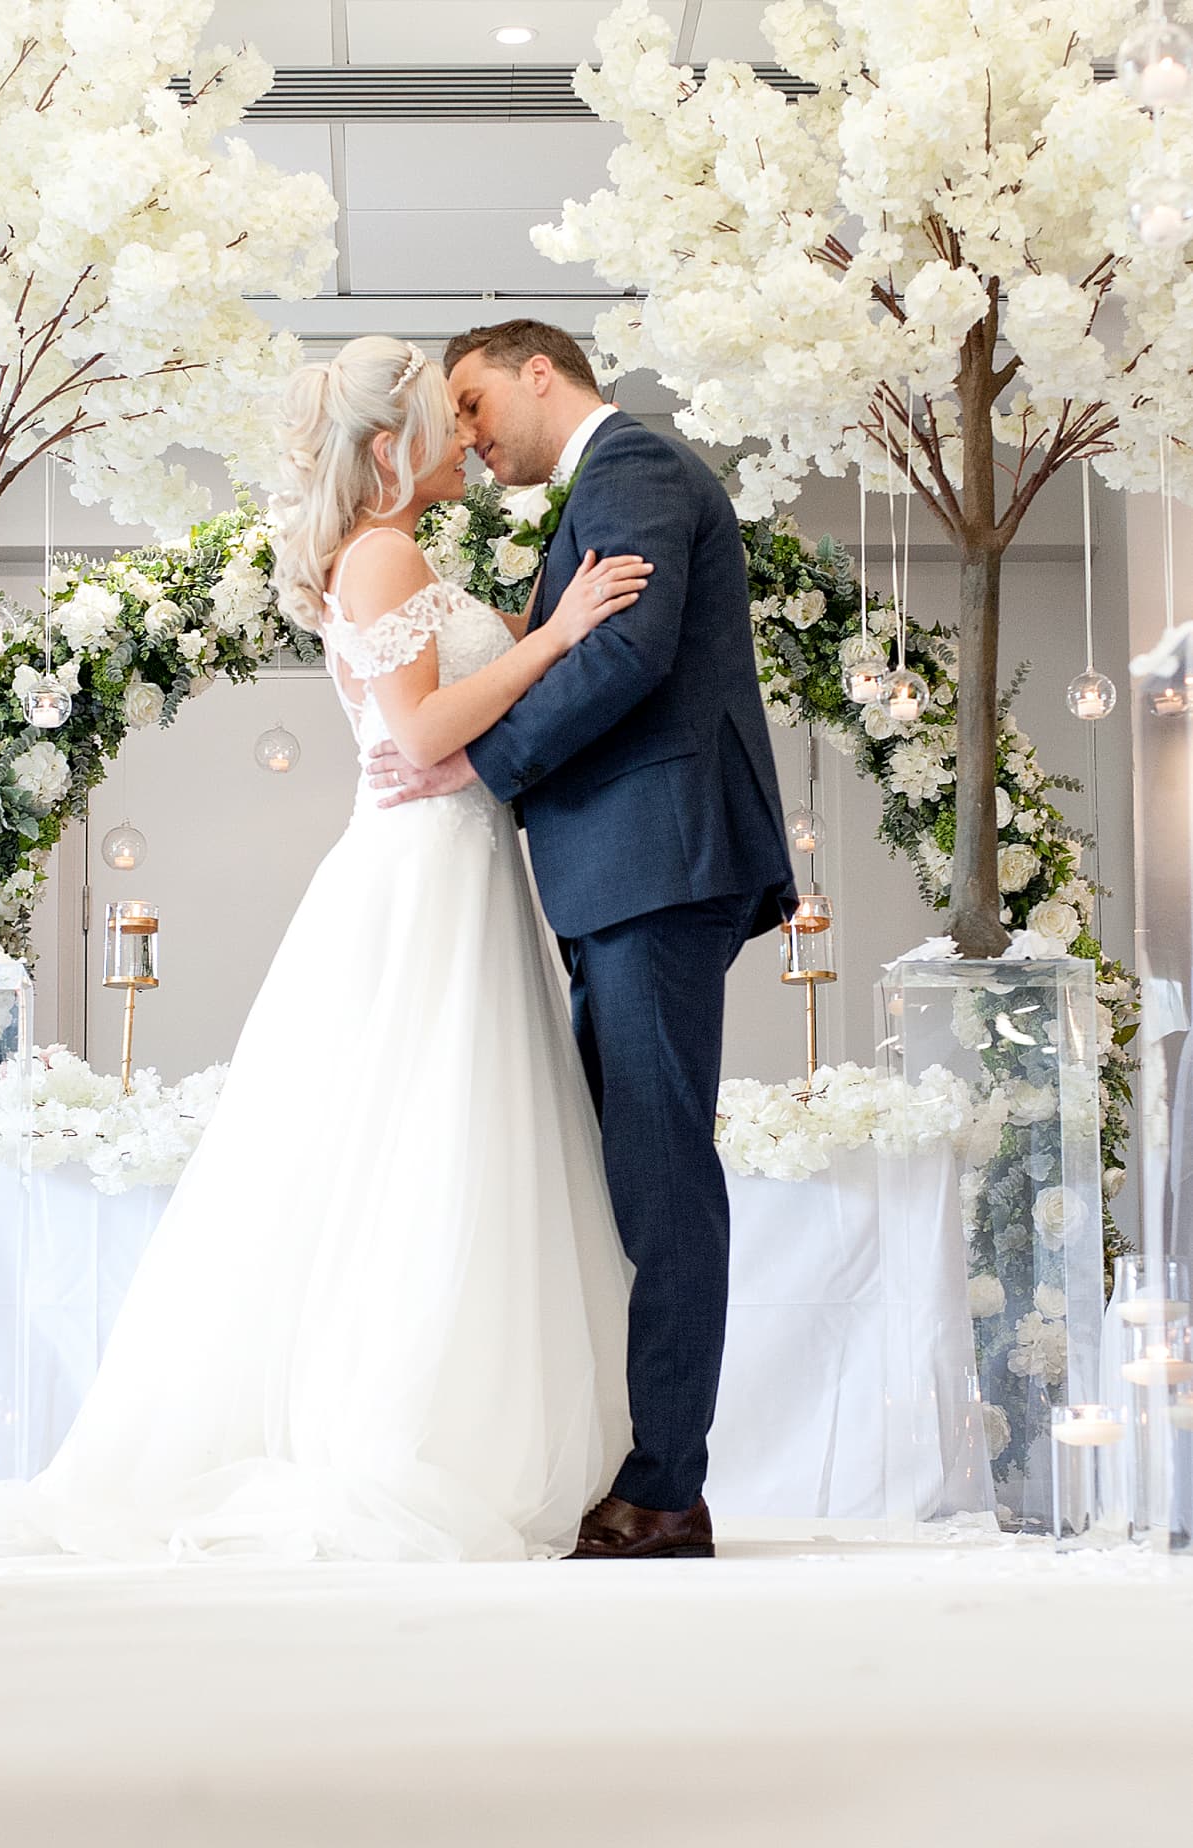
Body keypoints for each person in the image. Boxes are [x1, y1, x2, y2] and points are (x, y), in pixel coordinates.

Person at [0, 335, 647, 1565]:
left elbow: (451, 708)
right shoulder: (384, 552)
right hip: (420, 870)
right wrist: (557, 639)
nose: (466, 432)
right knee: (424, 1135)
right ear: (394, 446)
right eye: (446, 417)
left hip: (456, 863)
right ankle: (401, 1431)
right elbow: (426, 725)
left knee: (444, 1136)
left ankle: (453, 1421)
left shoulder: (401, 554)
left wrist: (535, 625)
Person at [368, 320, 796, 1561]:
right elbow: (576, 642)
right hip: (628, 869)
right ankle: (635, 1460)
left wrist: (476, 767)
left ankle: (666, 1490)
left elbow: (624, 651)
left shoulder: (635, 471)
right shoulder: (599, 494)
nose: (467, 432)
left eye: (473, 399)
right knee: (630, 1171)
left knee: (661, 1175)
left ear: (536, 371)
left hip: (657, 863)